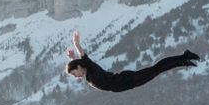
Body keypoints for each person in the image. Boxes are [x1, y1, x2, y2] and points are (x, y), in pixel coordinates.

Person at [65, 30, 199, 93]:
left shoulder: (90, 68)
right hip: (125, 83)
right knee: (157, 69)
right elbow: (79, 66)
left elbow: (82, 56)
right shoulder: (86, 72)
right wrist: (71, 58)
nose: (75, 76)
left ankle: (184, 58)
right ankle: (183, 60)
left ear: (79, 67)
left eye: (74, 73)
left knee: (157, 68)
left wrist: (76, 44)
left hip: (126, 80)